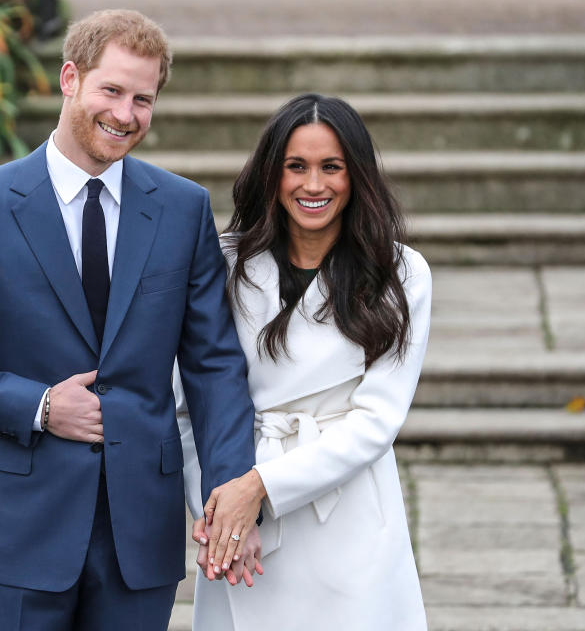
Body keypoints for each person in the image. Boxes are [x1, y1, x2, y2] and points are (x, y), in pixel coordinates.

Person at [0, 9, 262, 631]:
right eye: (111, 90)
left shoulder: (182, 209)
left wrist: (230, 499)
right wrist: (37, 405)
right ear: (70, 79)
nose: (125, 114)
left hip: (140, 528)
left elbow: (214, 366)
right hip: (19, 519)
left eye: (143, 99)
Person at [178, 94, 432, 630]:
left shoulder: (401, 273)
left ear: (357, 175)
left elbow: (376, 422)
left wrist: (261, 490)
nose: (313, 186)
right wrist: (220, 512)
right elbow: (186, 406)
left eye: (331, 167)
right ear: (271, 174)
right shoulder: (224, 264)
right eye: (296, 166)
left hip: (346, 511)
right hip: (237, 510)